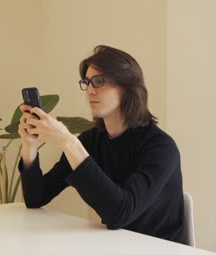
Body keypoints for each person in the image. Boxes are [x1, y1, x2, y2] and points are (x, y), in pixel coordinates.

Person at [17, 45, 187, 244]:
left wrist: (68, 142)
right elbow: (36, 198)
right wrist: (29, 145)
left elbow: (120, 214)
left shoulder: (161, 147)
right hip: (114, 248)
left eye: (98, 81)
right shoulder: (90, 141)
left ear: (127, 87)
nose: (89, 90)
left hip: (162, 254)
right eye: (87, 82)